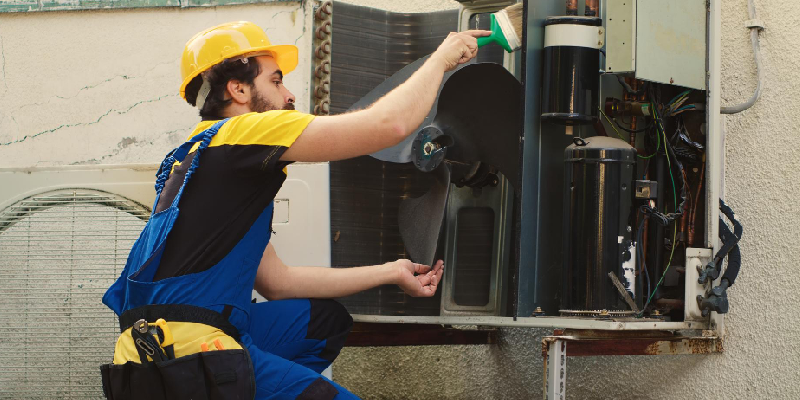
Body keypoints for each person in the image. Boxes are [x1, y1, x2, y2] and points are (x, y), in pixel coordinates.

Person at [102, 20, 489, 400]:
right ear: (237, 89)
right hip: (193, 354)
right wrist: (442, 59)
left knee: (322, 322)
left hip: (148, 354)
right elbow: (390, 125)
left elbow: (276, 282)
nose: (288, 95)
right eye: (275, 80)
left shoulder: (196, 158)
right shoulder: (243, 133)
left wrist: (391, 272)